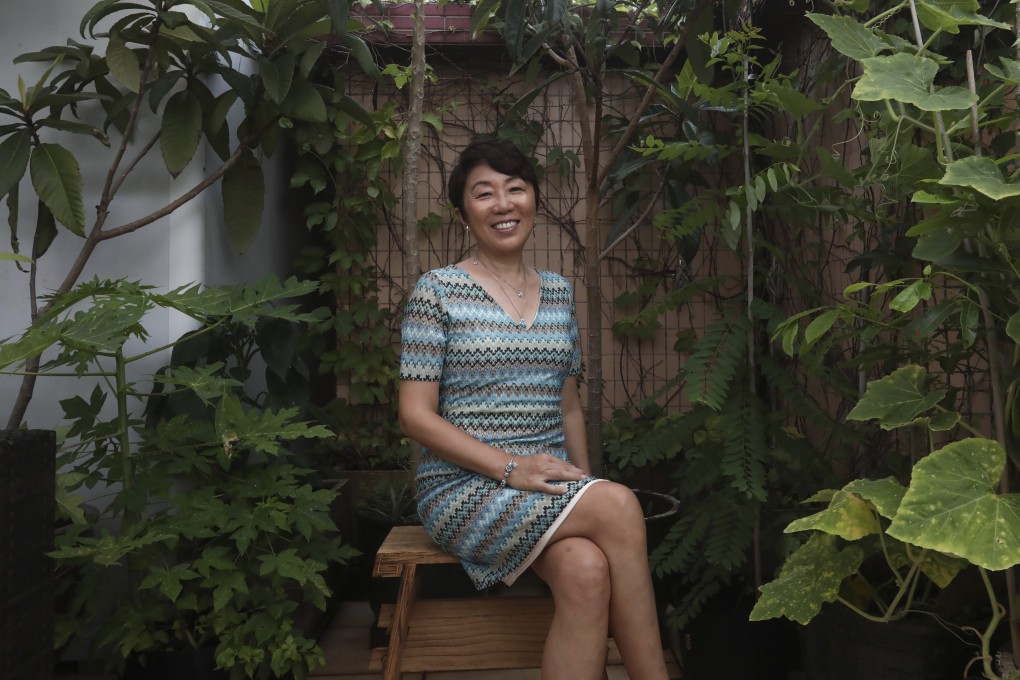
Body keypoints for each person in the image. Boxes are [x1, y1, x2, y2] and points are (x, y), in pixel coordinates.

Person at [397, 137, 670, 680]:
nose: (503, 204)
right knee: (620, 506)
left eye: (515, 188)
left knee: (586, 570)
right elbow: (415, 416)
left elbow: (568, 407)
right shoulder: (438, 291)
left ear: (534, 202)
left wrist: (585, 487)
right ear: (463, 214)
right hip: (462, 488)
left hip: (544, 487)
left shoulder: (559, 294)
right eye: (484, 193)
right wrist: (511, 467)